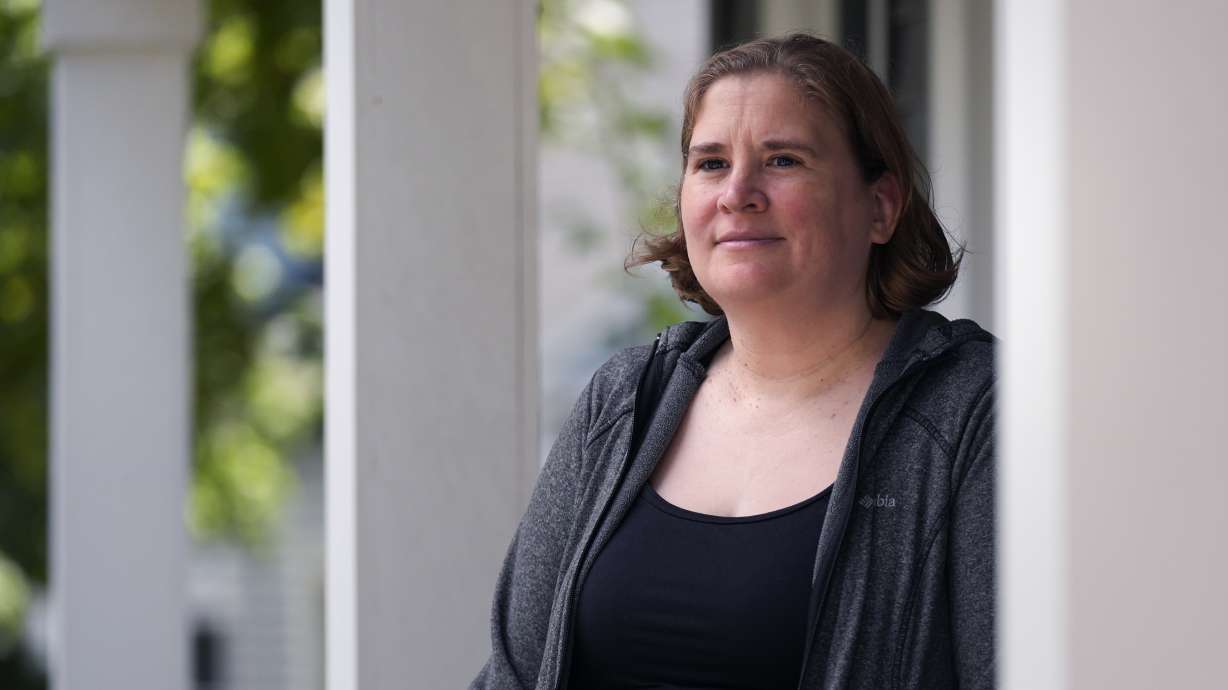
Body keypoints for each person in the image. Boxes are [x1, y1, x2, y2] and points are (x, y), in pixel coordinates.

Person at [473, 33, 994, 690]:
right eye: (712, 163)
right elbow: (514, 674)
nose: (737, 193)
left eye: (783, 160)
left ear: (881, 207)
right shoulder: (625, 399)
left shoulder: (971, 410)